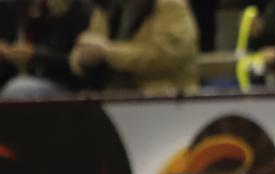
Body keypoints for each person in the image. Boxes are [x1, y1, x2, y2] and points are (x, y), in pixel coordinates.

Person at [69, 0, 200, 95]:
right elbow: (83, 49)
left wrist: (108, 52)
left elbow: (165, 56)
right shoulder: (107, 8)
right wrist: (82, 58)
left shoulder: (171, 6)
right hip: (110, 96)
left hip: (164, 98)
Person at [0, 0, 97, 99]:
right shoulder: (15, 8)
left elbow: (77, 63)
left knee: (16, 90)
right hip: (33, 77)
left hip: (69, 84)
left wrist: (35, 55)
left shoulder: (82, 10)